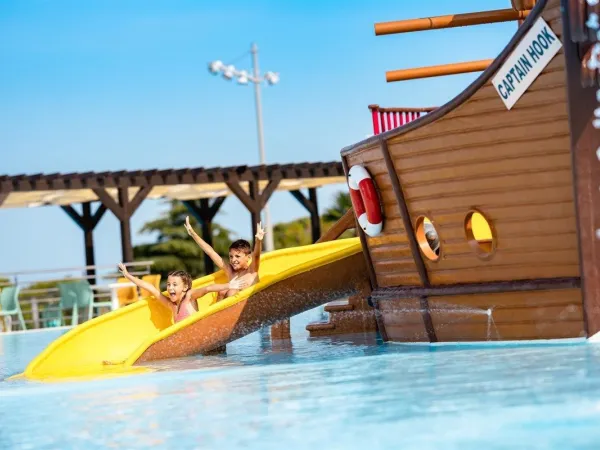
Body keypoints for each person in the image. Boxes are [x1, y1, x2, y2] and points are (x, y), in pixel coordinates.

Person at [117, 263, 247, 323]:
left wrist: (229, 285)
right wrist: (128, 275)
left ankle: (222, 295)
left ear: (185, 287)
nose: (170, 288)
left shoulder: (189, 296)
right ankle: (221, 295)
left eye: (174, 285)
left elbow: (207, 288)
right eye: (168, 285)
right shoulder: (171, 305)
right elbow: (150, 288)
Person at [184, 216, 266, 300]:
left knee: (231, 291)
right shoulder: (231, 272)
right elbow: (211, 252)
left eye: (237, 256)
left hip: (251, 306)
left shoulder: (252, 271)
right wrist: (193, 234)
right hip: (229, 310)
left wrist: (258, 241)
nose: (233, 260)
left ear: (248, 257)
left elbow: (256, 255)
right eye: (231, 256)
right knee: (222, 291)